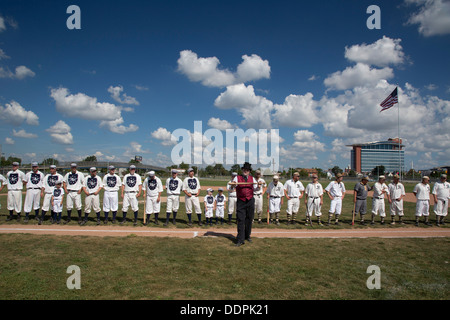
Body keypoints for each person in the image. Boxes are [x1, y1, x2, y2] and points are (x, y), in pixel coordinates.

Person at [232, 162, 256, 246]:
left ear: (249, 171)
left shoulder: (252, 179)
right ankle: (240, 239)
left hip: (250, 200)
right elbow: (232, 187)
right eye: (244, 169)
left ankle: (247, 236)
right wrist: (233, 185)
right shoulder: (237, 178)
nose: (246, 171)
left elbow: (256, 188)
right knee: (241, 219)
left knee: (249, 219)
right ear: (242, 170)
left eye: (247, 170)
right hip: (241, 201)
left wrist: (259, 186)